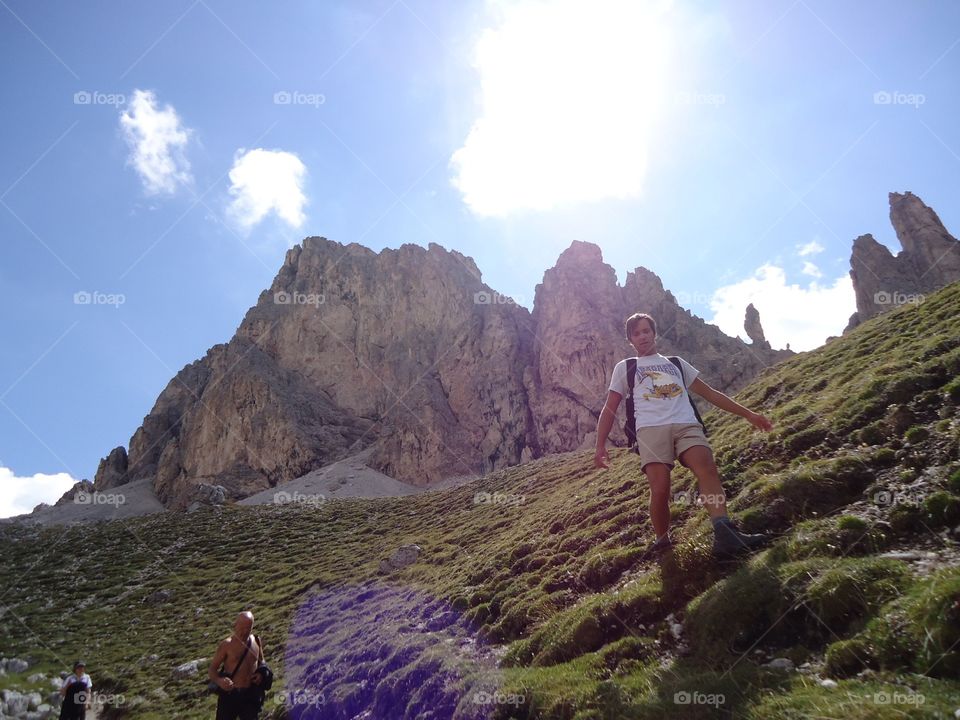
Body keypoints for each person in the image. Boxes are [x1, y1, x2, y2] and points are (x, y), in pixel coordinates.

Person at [594, 312, 774, 558]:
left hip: (686, 423)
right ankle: (662, 541)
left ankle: (724, 532)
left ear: (654, 333)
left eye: (646, 330)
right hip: (650, 429)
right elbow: (610, 407)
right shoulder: (626, 367)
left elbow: (710, 394)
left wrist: (748, 414)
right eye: (636, 333)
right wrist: (599, 445)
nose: (643, 336)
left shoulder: (676, 363)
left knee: (707, 467)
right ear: (630, 340)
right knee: (660, 488)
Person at [208, 611, 265, 720]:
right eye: (241, 628)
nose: (244, 632)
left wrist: (261, 674)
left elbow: (262, 663)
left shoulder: (256, 641)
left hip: (250, 695)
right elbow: (212, 670)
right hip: (230, 695)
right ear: (235, 625)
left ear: (252, 626)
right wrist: (220, 681)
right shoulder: (226, 645)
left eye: (248, 628)